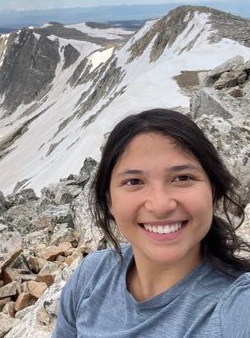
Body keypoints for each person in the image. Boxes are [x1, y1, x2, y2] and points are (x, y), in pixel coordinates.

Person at [52, 108, 250, 337]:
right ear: (109, 201)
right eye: (134, 181)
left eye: (182, 178)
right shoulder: (91, 275)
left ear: (213, 191)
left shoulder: (238, 306)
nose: (160, 205)